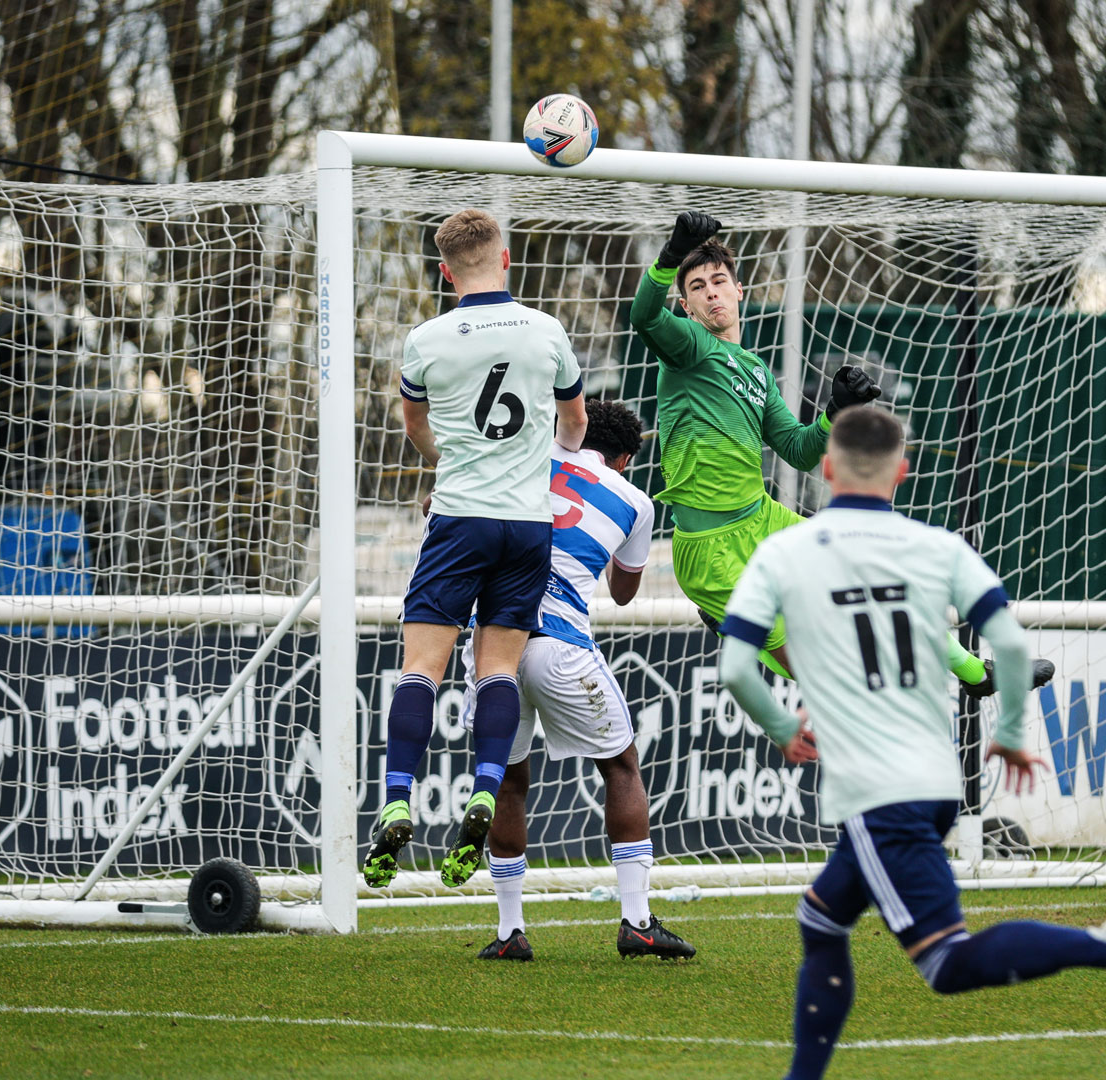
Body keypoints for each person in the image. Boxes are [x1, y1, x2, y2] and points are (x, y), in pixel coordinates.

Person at [716, 405, 1106, 1080]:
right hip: (931, 779)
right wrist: (1016, 732)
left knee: (945, 963)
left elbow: (736, 667)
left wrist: (784, 727)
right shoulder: (937, 547)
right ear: (902, 473)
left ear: (825, 468)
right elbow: (1010, 643)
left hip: (879, 793)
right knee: (820, 921)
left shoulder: (783, 553)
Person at [631, 211, 1052, 695]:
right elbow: (643, 316)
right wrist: (670, 254)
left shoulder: (756, 371)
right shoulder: (687, 345)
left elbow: (799, 451)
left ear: (739, 289)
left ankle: (979, 675)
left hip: (761, 518)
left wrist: (836, 409)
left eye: (719, 281)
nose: (710, 292)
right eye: (698, 286)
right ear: (684, 305)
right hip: (712, 550)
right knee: (819, 668)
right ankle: (737, 626)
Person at [364, 209, 588, 890]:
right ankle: (486, 788)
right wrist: (543, 467)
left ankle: (399, 798)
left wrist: (446, 461)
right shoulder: (546, 330)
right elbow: (575, 422)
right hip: (528, 524)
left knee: (422, 667)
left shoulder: (426, 338)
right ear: (507, 260)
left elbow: (415, 423)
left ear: (444, 272)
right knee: (497, 670)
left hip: (459, 517)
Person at [466, 398, 694, 962]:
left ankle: (508, 932)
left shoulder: (529, 456)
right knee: (620, 766)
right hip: (557, 644)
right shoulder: (635, 500)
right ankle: (637, 921)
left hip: (492, 643)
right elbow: (622, 592)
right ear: (624, 459)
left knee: (508, 781)